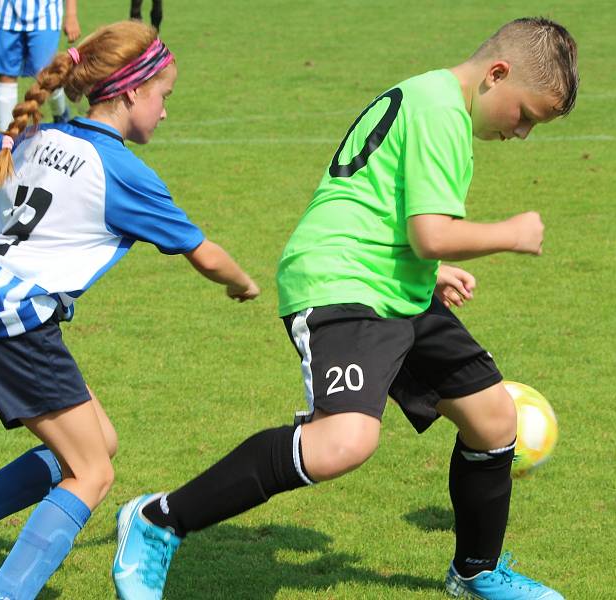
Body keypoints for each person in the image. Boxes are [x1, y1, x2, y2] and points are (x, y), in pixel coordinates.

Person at [113, 16, 579, 600]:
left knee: (493, 418)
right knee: (344, 442)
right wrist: (510, 232)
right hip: (341, 283)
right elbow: (430, 233)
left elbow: (385, 207)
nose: (522, 134)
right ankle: (159, 520)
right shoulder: (442, 113)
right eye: (526, 116)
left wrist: (429, 274)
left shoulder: (433, 96)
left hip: (390, 282)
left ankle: (476, 570)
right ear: (497, 74)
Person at [0, 19, 259, 599]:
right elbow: (205, 255)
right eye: (163, 97)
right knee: (95, 472)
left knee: (95, 444)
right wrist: (243, 285)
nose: (164, 112)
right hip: (18, 324)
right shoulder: (121, 170)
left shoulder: (33, 138)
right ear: (132, 91)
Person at [0, 0, 81, 132]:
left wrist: (71, 15)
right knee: (6, 75)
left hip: (46, 16)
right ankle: (6, 136)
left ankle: (61, 115)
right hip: (9, 16)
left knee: (46, 76)